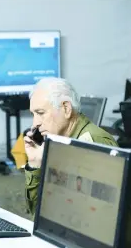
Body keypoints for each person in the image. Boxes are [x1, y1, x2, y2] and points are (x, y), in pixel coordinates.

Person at [23, 77, 117, 215]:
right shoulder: (61, 142)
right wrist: (35, 163)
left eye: (41, 113)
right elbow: (39, 213)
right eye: (33, 114)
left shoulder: (92, 144)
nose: (35, 123)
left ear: (66, 108)